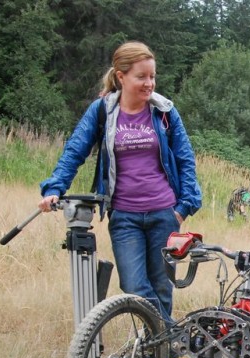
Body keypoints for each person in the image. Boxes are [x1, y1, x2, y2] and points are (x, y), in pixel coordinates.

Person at [38, 41, 202, 324]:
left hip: (164, 214)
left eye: (152, 76)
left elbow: (185, 159)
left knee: (161, 286)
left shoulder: (164, 112)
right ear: (120, 76)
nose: (149, 83)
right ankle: (170, 335)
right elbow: (75, 150)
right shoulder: (102, 112)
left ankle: (158, 354)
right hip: (124, 216)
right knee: (133, 286)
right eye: (141, 77)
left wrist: (184, 206)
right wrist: (54, 188)